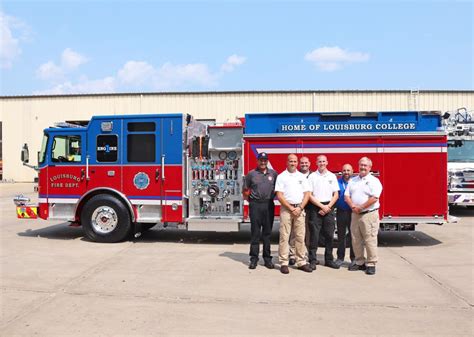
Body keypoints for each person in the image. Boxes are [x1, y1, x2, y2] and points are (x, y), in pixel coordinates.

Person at [344, 157, 383, 275]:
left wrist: (361, 207)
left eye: (365, 165)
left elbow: (375, 197)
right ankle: (360, 261)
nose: (362, 167)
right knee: (356, 239)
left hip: (369, 214)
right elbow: (346, 195)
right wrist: (353, 207)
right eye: (361, 165)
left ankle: (371, 263)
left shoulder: (374, 181)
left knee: (370, 239)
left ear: (370, 167)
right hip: (355, 214)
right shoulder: (353, 180)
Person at [275, 154, 312, 274]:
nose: (293, 163)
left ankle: (301, 262)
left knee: (300, 237)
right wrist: (291, 208)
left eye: (295, 161)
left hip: (299, 209)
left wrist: (300, 207)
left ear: (297, 163)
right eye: (291, 161)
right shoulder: (281, 176)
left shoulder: (302, 177)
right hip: (287, 210)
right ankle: (284, 262)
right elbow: (279, 195)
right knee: (284, 236)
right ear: (287, 162)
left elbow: (307, 194)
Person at [243, 152, 278, 269]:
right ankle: (254, 259)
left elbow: (278, 190)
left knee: (267, 234)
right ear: (257, 161)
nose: (263, 162)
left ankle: (267, 259)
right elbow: (245, 191)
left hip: (268, 204)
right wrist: (252, 202)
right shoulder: (251, 174)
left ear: (267, 161)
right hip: (255, 205)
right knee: (255, 233)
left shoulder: (273, 174)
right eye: (261, 160)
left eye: (265, 160)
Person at [307, 155, 340, 270]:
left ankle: (329, 260)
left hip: (329, 207)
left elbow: (336, 194)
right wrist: (322, 206)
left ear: (327, 162)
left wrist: (328, 207)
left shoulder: (332, 176)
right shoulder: (312, 176)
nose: (321, 163)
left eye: (323, 161)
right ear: (316, 163)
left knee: (329, 236)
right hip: (315, 207)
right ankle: (312, 260)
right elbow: (309, 195)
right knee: (314, 236)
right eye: (319, 161)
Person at [289, 156, 312, 266]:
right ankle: (292, 254)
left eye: (306, 163)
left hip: (310, 207)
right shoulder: (294, 175)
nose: (304, 165)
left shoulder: (313, 176)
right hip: (298, 207)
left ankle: (304, 254)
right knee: (294, 232)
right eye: (302, 163)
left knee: (306, 232)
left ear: (310, 164)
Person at [335, 164, 355, 268]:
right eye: (344, 170)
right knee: (341, 236)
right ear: (341, 171)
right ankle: (340, 258)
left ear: (352, 171)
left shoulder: (356, 182)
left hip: (353, 212)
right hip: (341, 211)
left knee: (354, 237)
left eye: (348, 170)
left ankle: (354, 258)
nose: (346, 172)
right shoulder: (337, 182)